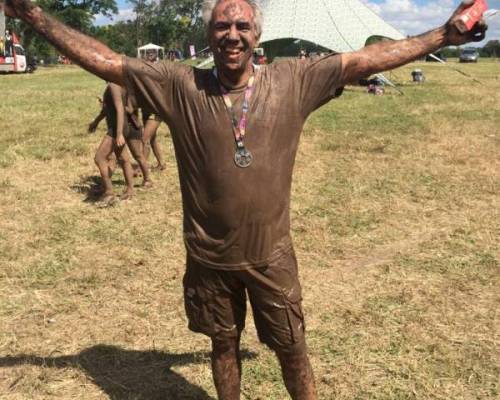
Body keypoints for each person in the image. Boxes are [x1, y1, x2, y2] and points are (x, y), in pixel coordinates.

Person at [4, 0, 487, 398]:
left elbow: (367, 59)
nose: (231, 34)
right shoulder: (181, 86)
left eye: (241, 25)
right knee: (222, 345)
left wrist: (441, 36)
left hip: (271, 257)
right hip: (209, 257)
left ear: (256, 33)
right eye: (221, 25)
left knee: (293, 350)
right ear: (210, 35)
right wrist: (32, 15)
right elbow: (105, 61)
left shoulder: (293, 80)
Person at [88, 83, 152, 203]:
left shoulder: (114, 85)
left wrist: (119, 133)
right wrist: (96, 122)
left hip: (121, 127)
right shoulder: (114, 85)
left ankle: (108, 192)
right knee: (124, 159)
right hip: (120, 127)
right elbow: (108, 110)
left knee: (99, 158)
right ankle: (130, 190)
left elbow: (120, 109)